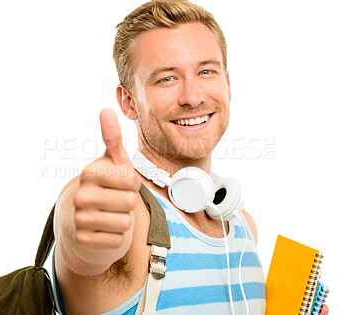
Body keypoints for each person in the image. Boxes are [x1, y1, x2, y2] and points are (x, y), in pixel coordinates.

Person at [52, 1, 329, 314]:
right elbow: (82, 235)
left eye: (206, 71)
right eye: (167, 78)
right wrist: (85, 229)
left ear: (226, 84)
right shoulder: (129, 213)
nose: (193, 97)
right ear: (128, 102)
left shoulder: (240, 224)